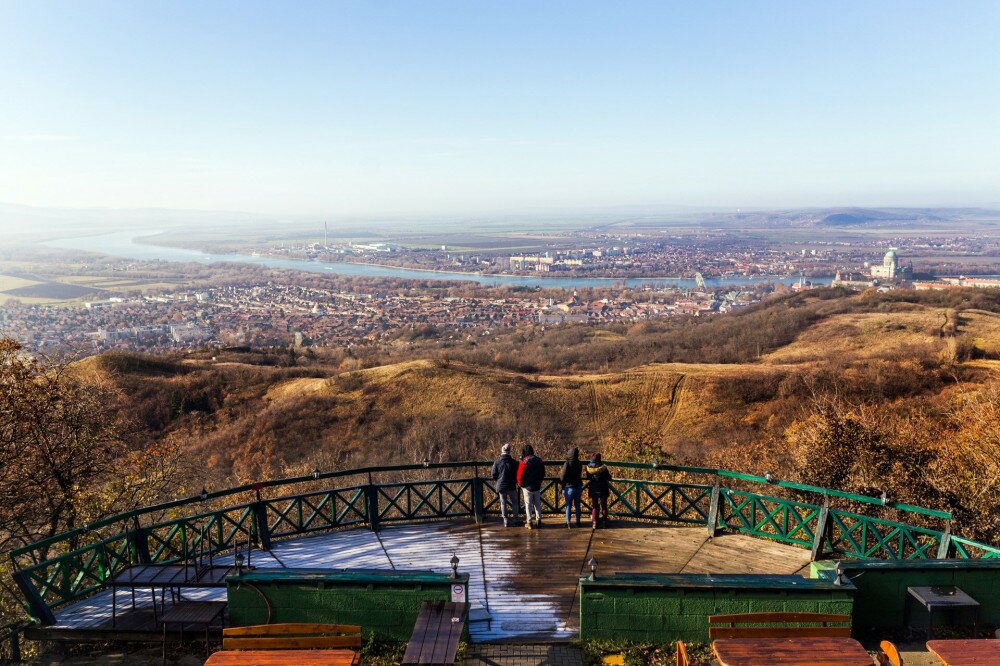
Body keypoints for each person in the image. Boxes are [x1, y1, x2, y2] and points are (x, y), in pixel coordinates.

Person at [490, 443, 519, 527]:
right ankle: (516, 519)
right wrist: (515, 481)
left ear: (502, 451)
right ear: (510, 452)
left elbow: (493, 474)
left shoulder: (497, 462)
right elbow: (518, 474)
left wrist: (498, 480)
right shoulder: (514, 462)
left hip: (501, 486)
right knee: (515, 502)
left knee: (503, 503)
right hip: (511, 485)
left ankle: (505, 520)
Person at [516, 444, 545, 529]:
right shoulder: (539, 460)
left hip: (527, 487)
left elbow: (520, 475)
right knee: (537, 504)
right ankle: (539, 521)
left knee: (528, 504)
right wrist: (539, 481)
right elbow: (543, 472)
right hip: (537, 486)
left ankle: (529, 522)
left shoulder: (524, 462)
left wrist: (521, 484)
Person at [586, 453, 612, 529]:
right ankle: (604, 522)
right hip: (603, 488)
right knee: (604, 506)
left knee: (595, 506)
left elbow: (588, 477)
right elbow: (608, 477)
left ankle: (595, 523)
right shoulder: (603, 467)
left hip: (593, 488)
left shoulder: (588, 467)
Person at [560, 447, 584, 528]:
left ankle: (568, 522)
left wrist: (562, 482)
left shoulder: (567, 463)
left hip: (569, 487)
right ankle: (578, 522)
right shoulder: (579, 463)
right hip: (578, 486)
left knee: (568, 505)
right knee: (577, 505)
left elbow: (562, 477)